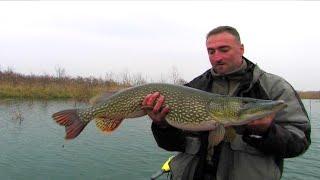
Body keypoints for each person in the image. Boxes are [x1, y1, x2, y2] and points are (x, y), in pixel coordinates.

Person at [142, 26, 311, 180]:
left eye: (224, 49)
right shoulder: (194, 87)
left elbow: (300, 141)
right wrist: (162, 126)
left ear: (241, 49)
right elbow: (172, 145)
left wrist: (267, 131)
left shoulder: (274, 88)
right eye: (211, 51)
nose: (217, 57)